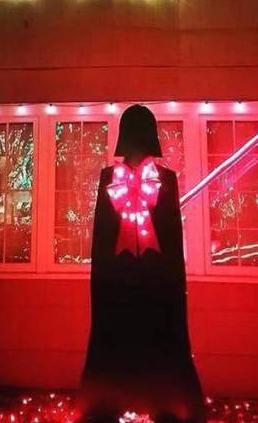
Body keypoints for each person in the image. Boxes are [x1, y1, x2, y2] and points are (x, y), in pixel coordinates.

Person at [77, 105, 206, 423]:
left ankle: (164, 401)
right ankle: (109, 400)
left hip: (155, 281)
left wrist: (172, 283)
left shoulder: (165, 180)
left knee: (156, 334)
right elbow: (103, 234)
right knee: (118, 334)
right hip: (118, 281)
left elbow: (170, 235)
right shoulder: (110, 179)